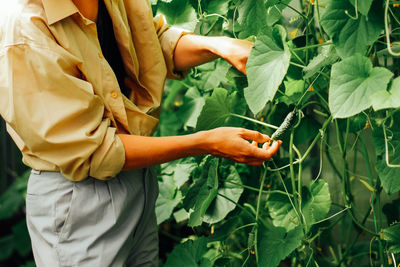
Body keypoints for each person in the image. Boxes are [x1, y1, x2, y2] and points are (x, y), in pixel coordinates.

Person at [0, 0, 282, 266]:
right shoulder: (24, 29)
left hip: (138, 177)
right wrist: (206, 142)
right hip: (80, 200)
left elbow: (147, 44)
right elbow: (96, 151)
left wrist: (219, 46)